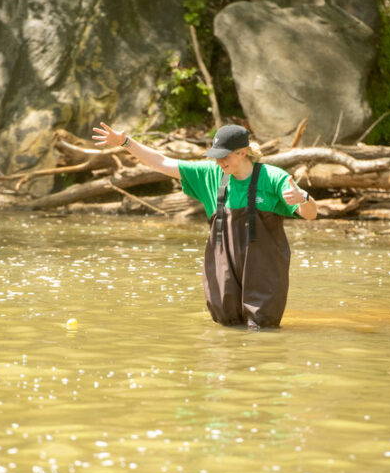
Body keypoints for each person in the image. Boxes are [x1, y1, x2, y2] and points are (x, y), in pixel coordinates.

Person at [92, 122, 317, 330]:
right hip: (224, 269)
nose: (219, 162)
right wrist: (125, 142)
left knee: (262, 331)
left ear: (243, 152)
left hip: (263, 271)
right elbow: (160, 162)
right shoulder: (210, 175)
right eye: (216, 157)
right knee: (227, 330)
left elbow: (310, 214)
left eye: (224, 157)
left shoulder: (273, 177)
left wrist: (303, 200)